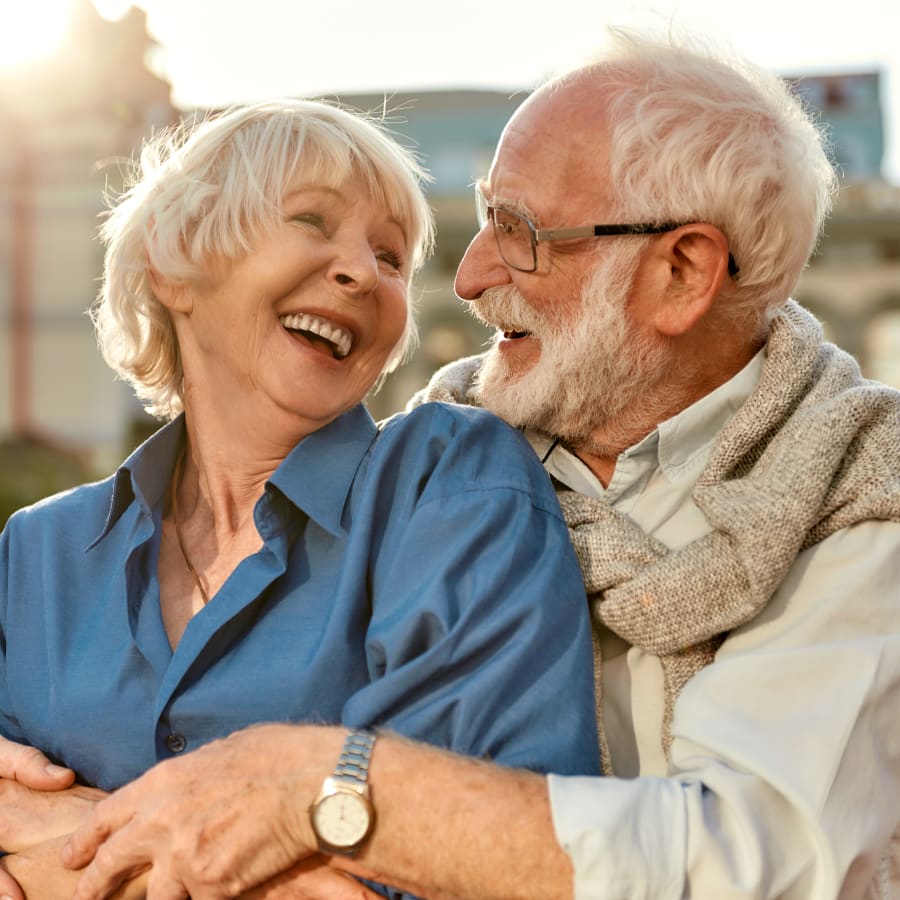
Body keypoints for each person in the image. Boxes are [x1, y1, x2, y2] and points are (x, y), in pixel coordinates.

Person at [6, 23, 900, 900]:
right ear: (173, 263)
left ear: (679, 273)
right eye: (479, 224)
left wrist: (303, 786)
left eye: (520, 232)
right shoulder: (39, 552)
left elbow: (755, 863)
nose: (468, 279)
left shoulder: (855, 496)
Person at [0, 98, 601, 898]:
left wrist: (61, 845)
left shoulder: (448, 486)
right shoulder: (35, 553)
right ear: (176, 264)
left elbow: (481, 872)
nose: (362, 272)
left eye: (390, 256)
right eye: (313, 222)